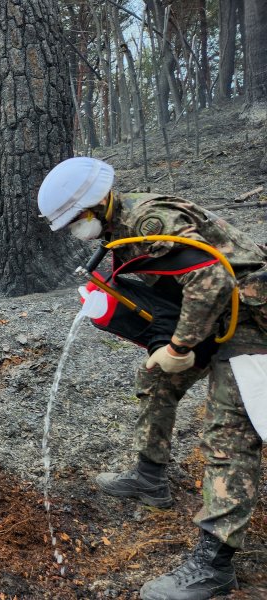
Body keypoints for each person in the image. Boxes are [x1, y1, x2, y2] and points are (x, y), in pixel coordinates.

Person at [38, 157, 267, 600]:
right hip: (214, 313)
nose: (73, 230)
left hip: (250, 315)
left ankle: (213, 566)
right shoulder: (119, 233)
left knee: (229, 431)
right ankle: (149, 478)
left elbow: (212, 276)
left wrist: (180, 348)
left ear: (97, 205)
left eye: (75, 221)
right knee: (157, 381)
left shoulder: (149, 221)